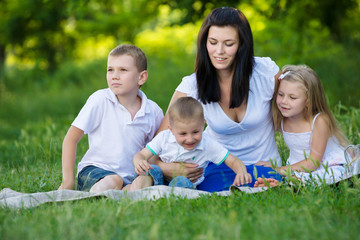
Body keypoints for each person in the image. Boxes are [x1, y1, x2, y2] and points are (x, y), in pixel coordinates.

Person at [153, 7, 283, 192]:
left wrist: (293, 166)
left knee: (270, 179)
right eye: (213, 42)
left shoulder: (265, 72)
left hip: (265, 167)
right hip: (218, 170)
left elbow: (300, 117)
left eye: (228, 44)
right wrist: (167, 168)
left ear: (242, 45)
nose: (219, 51)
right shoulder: (192, 86)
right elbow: (158, 143)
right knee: (208, 185)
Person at [58, 44, 164, 193]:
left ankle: (124, 192)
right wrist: (67, 182)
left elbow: (156, 149)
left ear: (141, 77)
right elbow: (71, 139)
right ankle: (96, 196)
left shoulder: (153, 111)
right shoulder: (100, 100)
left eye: (123, 70)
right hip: (95, 171)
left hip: (131, 176)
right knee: (114, 180)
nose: (114, 75)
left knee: (145, 180)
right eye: (110, 70)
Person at [255, 65, 350, 186]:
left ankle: (284, 182)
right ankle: (280, 182)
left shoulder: (319, 120)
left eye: (292, 97)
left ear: (308, 100)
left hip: (329, 165)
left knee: (322, 176)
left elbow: (314, 162)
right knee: (294, 178)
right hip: (299, 167)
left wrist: (278, 169)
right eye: (280, 94)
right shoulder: (281, 120)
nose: (284, 101)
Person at [130, 97, 252, 190]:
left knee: (181, 182)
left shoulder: (207, 144)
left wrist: (241, 171)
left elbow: (231, 160)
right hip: (160, 180)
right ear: (171, 130)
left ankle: (169, 197)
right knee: (150, 171)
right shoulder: (164, 138)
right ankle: (139, 195)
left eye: (195, 132)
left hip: (186, 184)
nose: (190, 139)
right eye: (183, 134)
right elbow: (141, 155)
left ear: (203, 125)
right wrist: (139, 161)